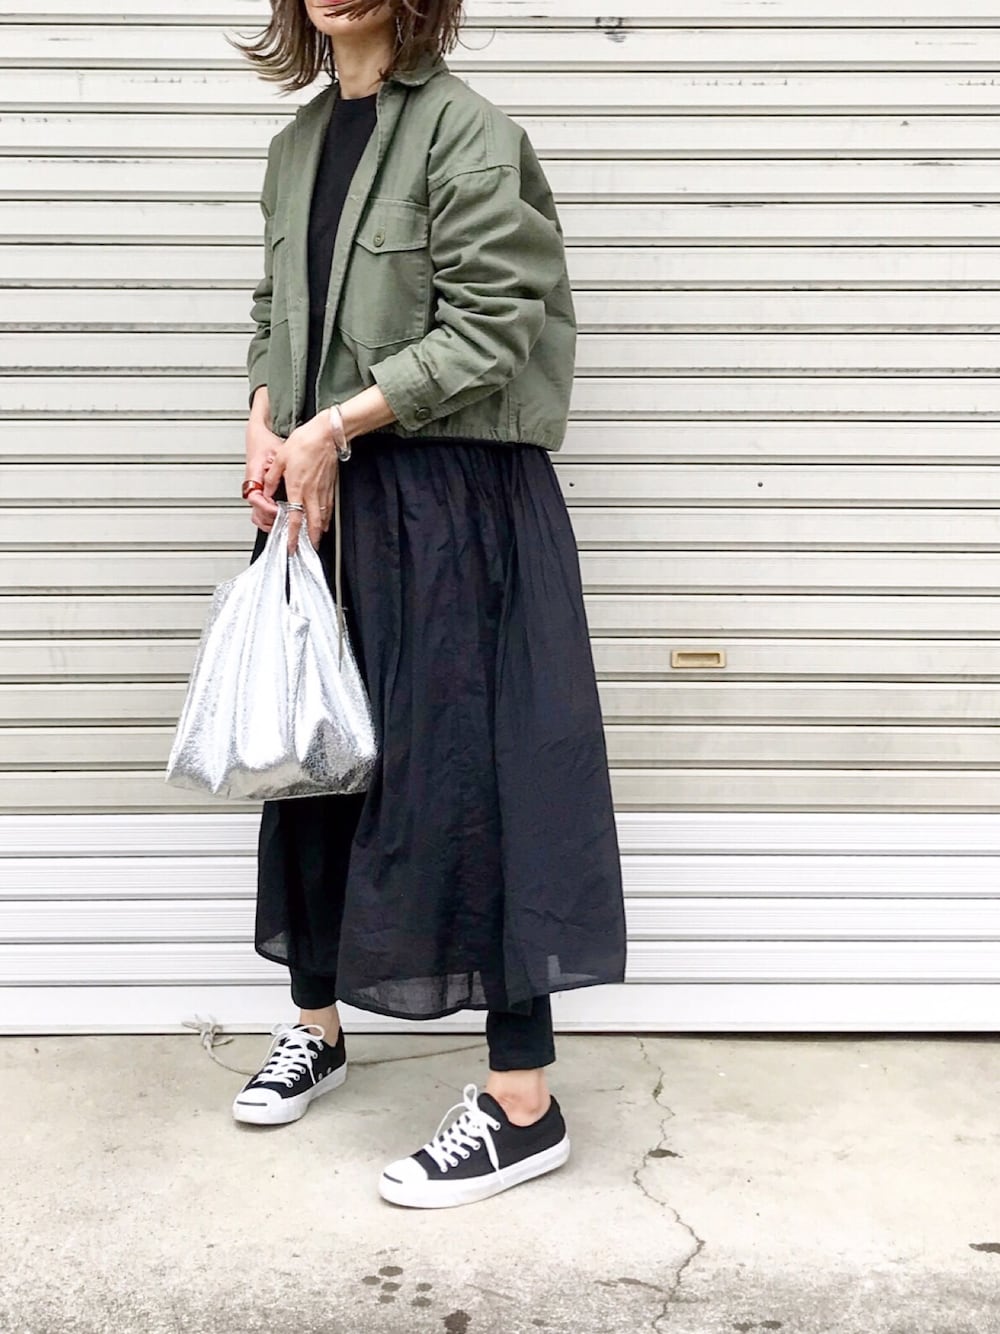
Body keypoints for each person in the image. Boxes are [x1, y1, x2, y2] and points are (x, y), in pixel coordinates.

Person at [229, 0, 627, 1210]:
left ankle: (523, 1101)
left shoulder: (467, 132)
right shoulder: (296, 145)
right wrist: (262, 424)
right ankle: (318, 1025)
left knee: (472, 777)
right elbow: (274, 312)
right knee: (313, 757)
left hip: (450, 501)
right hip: (326, 496)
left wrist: (331, 425)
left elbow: (495, 328)